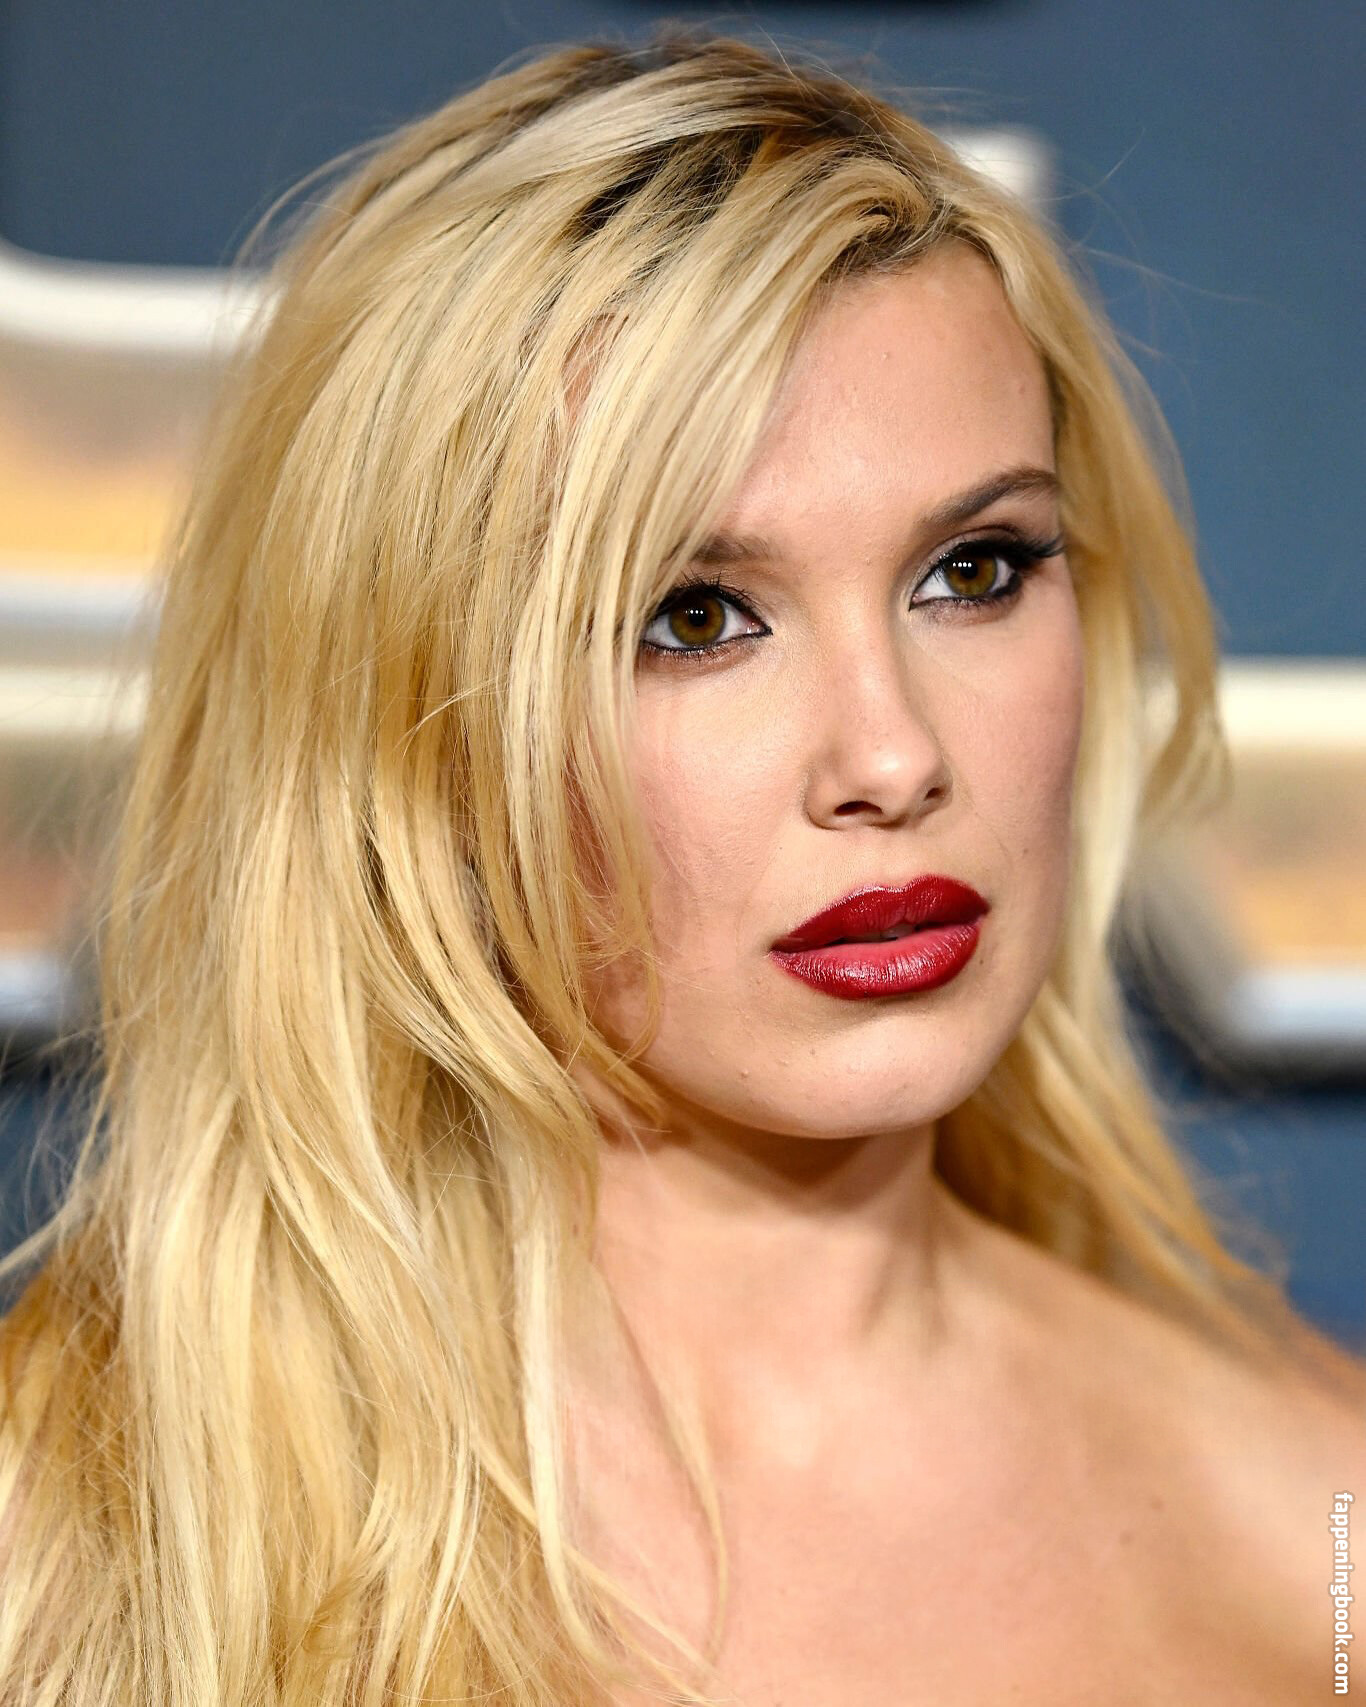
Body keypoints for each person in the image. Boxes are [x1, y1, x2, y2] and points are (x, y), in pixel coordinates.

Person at [0, 29, 1362, 1707]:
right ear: (402, 718)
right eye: (693, 617)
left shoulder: (1321, 1522)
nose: (892, 758)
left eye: (973, 570)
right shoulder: (69, 1539)